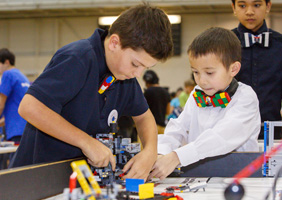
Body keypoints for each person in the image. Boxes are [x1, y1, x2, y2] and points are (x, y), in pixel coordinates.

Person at [9, 3, 173, 181]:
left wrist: (149, 151)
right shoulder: (78, 58)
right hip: (38, 176)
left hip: (80, 178)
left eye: (145, 67)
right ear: (114, 43)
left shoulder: (125, 76)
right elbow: (30, 107)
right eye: (135, 64)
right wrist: (86, 142)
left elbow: (144, 117)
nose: (138, 74)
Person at [148, 27, 261, 180]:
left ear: (233, 69)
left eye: (209, 73)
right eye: (195, 72)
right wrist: (161, 153)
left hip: (239, 178)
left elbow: (221, 137)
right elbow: (178, 128)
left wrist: (176, 157)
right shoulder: (196, 93)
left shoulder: (245, 97)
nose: (202, 80)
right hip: (198, 176)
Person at [231, 0, 282, 139]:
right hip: (230, 133)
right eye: (242, 5)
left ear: (268, 6)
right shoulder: (223, 45)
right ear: (234, 7)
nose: (249, 11)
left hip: (272, 133)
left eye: (256, 5)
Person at [0, 48, 30, 144]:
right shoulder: (23, 77)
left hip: (15, 130)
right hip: (26, 127)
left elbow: (0, 104)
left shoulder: (8, 74)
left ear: (6, 62)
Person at [143, 70, 171, 134]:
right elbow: (168, 112)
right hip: (162, 127)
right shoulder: (166, 92)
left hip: (149, 127)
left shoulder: (147, 92)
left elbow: (143, 110)